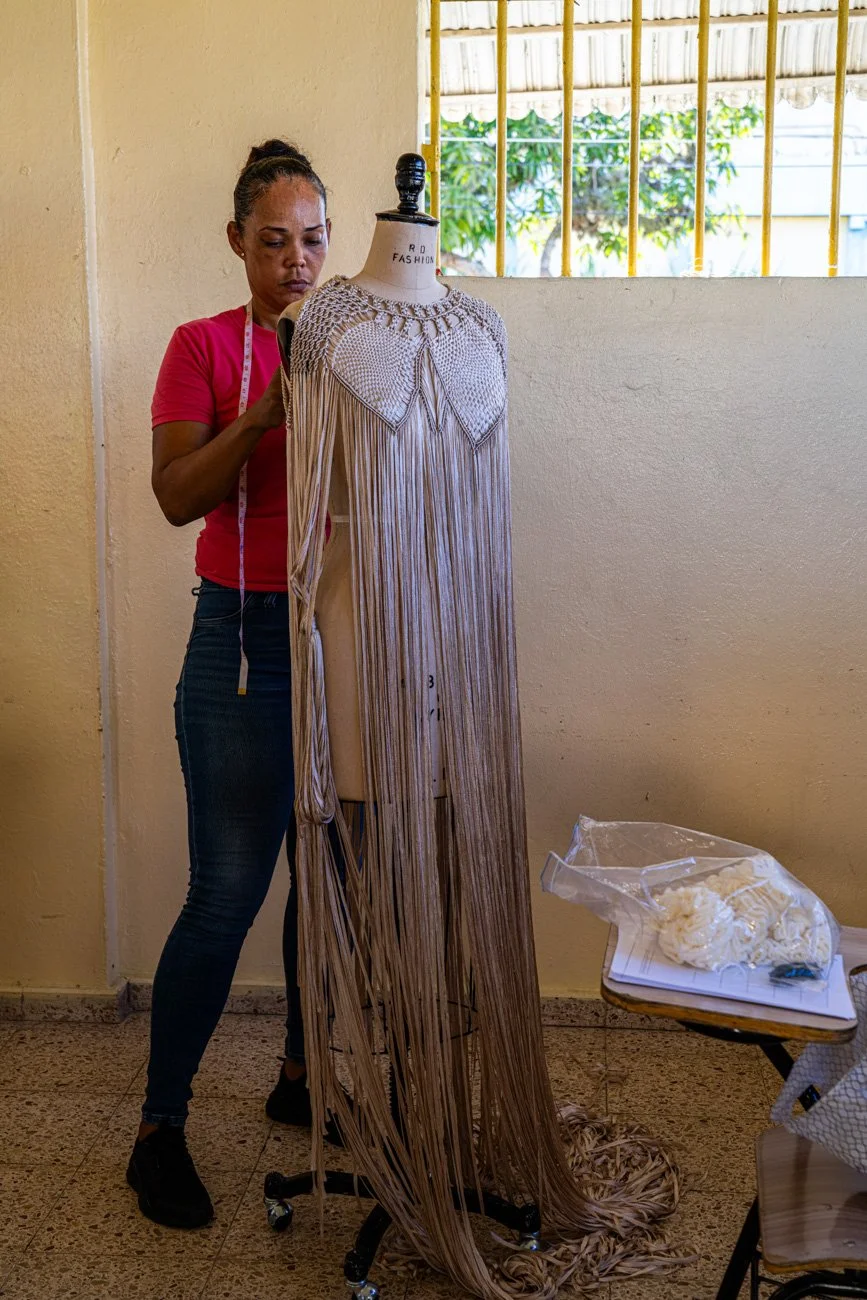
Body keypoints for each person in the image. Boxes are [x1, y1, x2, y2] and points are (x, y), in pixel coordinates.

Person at [127, 140, 333, 1230]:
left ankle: (300, 1078)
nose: (297, 261)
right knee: (227, 891)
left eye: (313, 240)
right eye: (274, 241)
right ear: (237, 242)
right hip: (241, 642)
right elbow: (174, 495)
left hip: (343, 642)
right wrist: (261, 414)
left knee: (328, 881)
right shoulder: (201, 346)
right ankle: (158, 1131)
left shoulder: (357, 349)